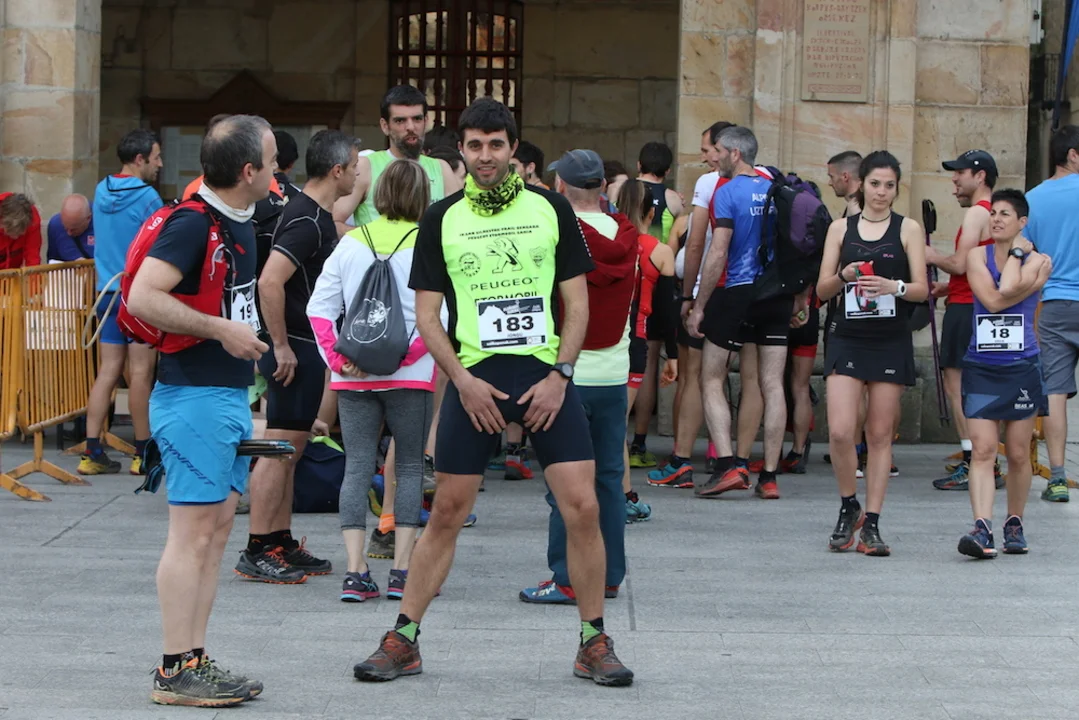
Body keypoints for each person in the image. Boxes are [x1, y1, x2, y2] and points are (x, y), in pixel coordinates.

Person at [352, 97, 632, 686]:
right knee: (447, 512)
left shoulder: (551, 208)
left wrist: (560, 375)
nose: (485, 156)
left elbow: (577, 304)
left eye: (496, 145)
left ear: (512, 149)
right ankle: (403, 639)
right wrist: (462, 381)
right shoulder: (441, 217)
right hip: (474, 380)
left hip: (544, 379)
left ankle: (593, 640)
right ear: (461, 149)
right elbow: (426, 316)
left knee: (583, 507)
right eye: (475, 145)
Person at [127, 114, 277, 707]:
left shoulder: (237, 218)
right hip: (192, 397)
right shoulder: (194, 223)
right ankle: (173, 668)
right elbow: (143, 295)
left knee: (214, 535)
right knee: (192, 536)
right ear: (248, 170)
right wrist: (219, 330)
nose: (277, 171)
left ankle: (192, 659)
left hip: (221, 396)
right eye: (272, 161)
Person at [307, 158, 442, 600]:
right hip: (411, 375)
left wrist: (339, 358)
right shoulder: (428, 244)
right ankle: (402, 570)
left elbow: (319, 309)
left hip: (353, 376)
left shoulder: (349, 243)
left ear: (379, 194)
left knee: (357, 466)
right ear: (423, 197)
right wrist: (404, 356)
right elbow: (443, 317)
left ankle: (355, 570)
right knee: (409, 467)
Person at [235, 130, 358, 584]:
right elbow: (270, 281)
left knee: (292, 448)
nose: (359, 175)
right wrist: (281, 345)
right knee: (278, 449)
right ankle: (258, 548)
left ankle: (280, 540)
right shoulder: (307, 219)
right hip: (293, 350)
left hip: (304, 348)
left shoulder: (315, 215)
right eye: (355, 167)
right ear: (337, 171)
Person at [519, 149, 640, 603]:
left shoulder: (556, 233)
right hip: (613, 372)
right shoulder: (628, 235)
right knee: (609, 480)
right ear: (603, 186)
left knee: (563, 482)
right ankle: (608, 576)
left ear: (560, 187)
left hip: (565, 374)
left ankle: (567, 577)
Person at [815, 150, 928, 556]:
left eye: (889, 185)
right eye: (875, 184)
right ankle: (850, 505)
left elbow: (922, 290)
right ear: (861, 184)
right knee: (841, 431)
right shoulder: (840, 229)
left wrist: (894, 287)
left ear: (897, 188)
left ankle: (874, 524)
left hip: (889, 338)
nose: (881, 192)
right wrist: (844, 276)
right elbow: (821, 289)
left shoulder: (908, 228)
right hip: (847, 335)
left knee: (879, 434)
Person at [685, 126, 790, 500]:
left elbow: (718, 251)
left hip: (738, 290)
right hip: (777, 293)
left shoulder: (727, 192)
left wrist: (698, 305)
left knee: (711, 377)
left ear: (735, 153)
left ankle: (729, 466)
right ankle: (770, 477)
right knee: (772, 383)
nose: (715, 158)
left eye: (719, 151)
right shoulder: (778, 188)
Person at [957, 189, 1050, 558]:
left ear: (1022, 222)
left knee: (1017, 452)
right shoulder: (976, 256)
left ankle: (1014, 522)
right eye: (993, 213)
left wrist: (1019, 265)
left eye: (1005, 214)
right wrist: (1026, 273)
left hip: (1022, 365)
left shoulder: (1039, 258)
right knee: (982, 449)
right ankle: (982, 528)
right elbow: (995, 300)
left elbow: (1006, 288)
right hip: (982, 365)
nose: (995, 219)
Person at [653, 121, 732, 487]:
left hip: (704, 290)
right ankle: (725, 456)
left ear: (724, 149)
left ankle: (682, 460)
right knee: (716, 378)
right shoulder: (761, 181)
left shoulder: (710, 183)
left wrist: (688, 297)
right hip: (735, 292)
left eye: (706, 150)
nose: (704, 157)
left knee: (694, 377)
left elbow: (696, 243)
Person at [81, 129, 164, 476]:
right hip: (136, 295)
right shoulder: (148, 197)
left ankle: (92, 451)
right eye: (156, 157)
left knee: (108, 371)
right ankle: (142, 454)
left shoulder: (101, 189)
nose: (160, 164)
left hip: (106, 293)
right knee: (141, 373)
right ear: (140, 159)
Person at [926, 150, 997, 491]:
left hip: (966, 307)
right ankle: (987, 460)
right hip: (977, 304)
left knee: (957, 387)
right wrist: (947, 286)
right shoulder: (996, 211)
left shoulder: (977, 214)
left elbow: (960, 263)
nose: (954, 179)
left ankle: (973, 462)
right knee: (978, 387)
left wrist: (930, 255)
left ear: (980, 176)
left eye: (961, 172)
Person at [1022, 124, 1079, 503]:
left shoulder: (1032, 200)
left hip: (1055, 303)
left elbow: (1026, 255)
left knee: (1055, 391)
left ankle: (1057, 478)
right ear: (1073, 154)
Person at [617, 179, 677, 517]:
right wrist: (674, 357)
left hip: (597, 343)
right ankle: (623, 497)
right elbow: (667, 314)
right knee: (615, 426)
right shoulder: (660, 251)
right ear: (652, 213)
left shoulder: (603, 242)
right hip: (634, 343)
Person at [332, 85, 462, 234]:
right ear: (385, 126)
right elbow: (334, 223)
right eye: (400, 121)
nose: (411, 127)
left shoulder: (441, 168)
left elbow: (459, 225)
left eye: (417, 119)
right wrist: (374, 239)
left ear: (426, 121)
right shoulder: (365, 166)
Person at [629, 141, 684, 469]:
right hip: (656, 270)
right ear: (668, 169)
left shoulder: (623, 190)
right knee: (647, 365)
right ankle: (639, 442)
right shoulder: (673, 199)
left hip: (625, 276)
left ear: (638, 165)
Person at [0, 193, 42, 270]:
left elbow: (32, 257)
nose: (17, 237)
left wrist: (33, 276)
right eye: (14, 232)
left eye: (20, 234)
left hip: (14, 271)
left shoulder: (32, 219)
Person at [47, 194, 94, 261]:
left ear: (88, 218)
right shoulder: (55, 225)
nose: (69, 233)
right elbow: (53, 259)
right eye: (65, 228)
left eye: (74, 229)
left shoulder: (104, 222)